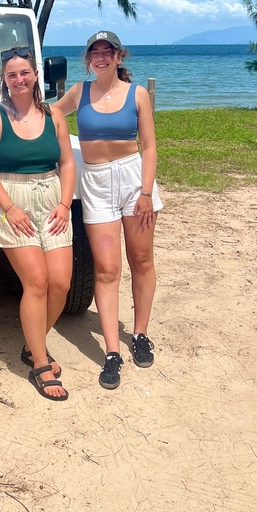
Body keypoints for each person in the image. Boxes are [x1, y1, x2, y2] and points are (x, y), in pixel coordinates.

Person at [56, 30, 162, 390]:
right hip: (96, 182)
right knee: (106, 268)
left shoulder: (138, 94)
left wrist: (146, 192)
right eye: (94, 52)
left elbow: (148, 146)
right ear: (88, 59)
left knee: (141, 259)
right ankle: (113, 351)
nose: (101, 57)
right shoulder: (79, 92)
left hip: (134, 179)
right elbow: (48, 116)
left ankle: (141, 333)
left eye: (108, 51)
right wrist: (6, 113)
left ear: (119, 57)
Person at [0, 46, 76, 401]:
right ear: (4, 80)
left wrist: (65, 203)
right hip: (10, 198)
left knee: (60, 284)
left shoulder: (54, 115)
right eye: (12, 74)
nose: (19, 79)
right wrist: (10, 208)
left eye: (25, 72)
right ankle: (40, 362)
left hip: (51, 199)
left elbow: (66, 162)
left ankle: (32, 344)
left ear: (36, 75)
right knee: (36, 280)